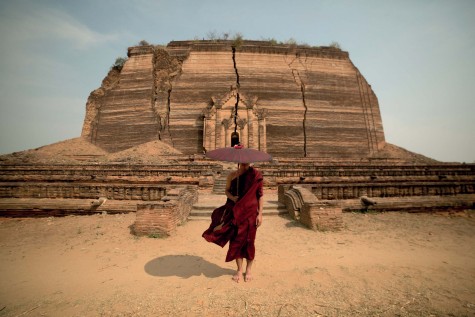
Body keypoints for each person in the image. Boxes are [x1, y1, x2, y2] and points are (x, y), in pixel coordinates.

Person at [202, 162, 264, 283]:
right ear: (239, 162)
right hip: (236, 212)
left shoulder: (256, 175)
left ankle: (249, 269)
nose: (245, 164)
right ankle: (239, 270)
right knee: (236, 241)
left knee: (249, 241)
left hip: (251, 213)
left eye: (248, 162)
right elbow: (226, 191)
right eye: (243, 162)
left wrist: (260, 214)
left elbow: (260, 195)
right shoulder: (232, 175)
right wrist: (233, 198)